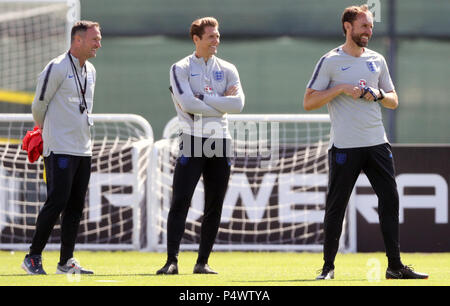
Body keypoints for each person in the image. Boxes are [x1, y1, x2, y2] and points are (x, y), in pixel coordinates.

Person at [303, 5, 428, 280]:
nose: (369, 31)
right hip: (345, 147)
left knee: (390, 200)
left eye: (371, 26)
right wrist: (340, 89)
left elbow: (394, 101)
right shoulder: (330, 61)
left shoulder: (377, 60)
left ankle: (395, 267)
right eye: (364, 27)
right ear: (348, 27)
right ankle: (328, 268)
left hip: (377, 144)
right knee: (336, 206)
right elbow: (309, 101)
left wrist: (378, 93)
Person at [157, 17, 245, 275]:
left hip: (221, 141)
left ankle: (202, 262)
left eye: (217, 35)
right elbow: (188, 105)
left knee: (215, 203)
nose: (216, 40)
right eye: (211, 36)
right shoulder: (180, 68)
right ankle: (171, 261)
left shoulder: (228, 68)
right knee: (181, 199)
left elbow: (238, 105)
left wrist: (205, 98)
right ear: (196, 39)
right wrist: (220, 105)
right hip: (193, 139)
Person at [22, 20, 102, 275]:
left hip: (83, 148)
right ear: (77, 40)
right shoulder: (56, 67)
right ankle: (32, 256)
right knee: (57, 201)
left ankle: (66, 261)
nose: (99, 43)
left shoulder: (91, 70)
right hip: (59, 147)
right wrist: (46, 133)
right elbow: (38, 105)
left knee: (76, 205)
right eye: (94, 39)